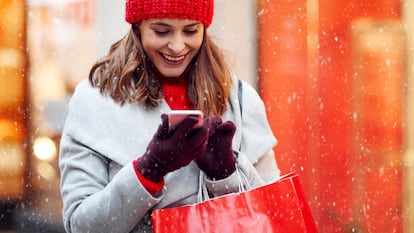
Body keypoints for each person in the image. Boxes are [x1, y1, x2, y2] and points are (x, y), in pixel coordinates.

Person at [59, 0, 280, 232]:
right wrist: (149, 170)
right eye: (161, 31)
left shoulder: (241, 101)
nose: (177, 46)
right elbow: (81, 226)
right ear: (137, 27)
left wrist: (226, 175)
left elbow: (273, 215)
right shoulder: (94, 101)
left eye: (191, 31)